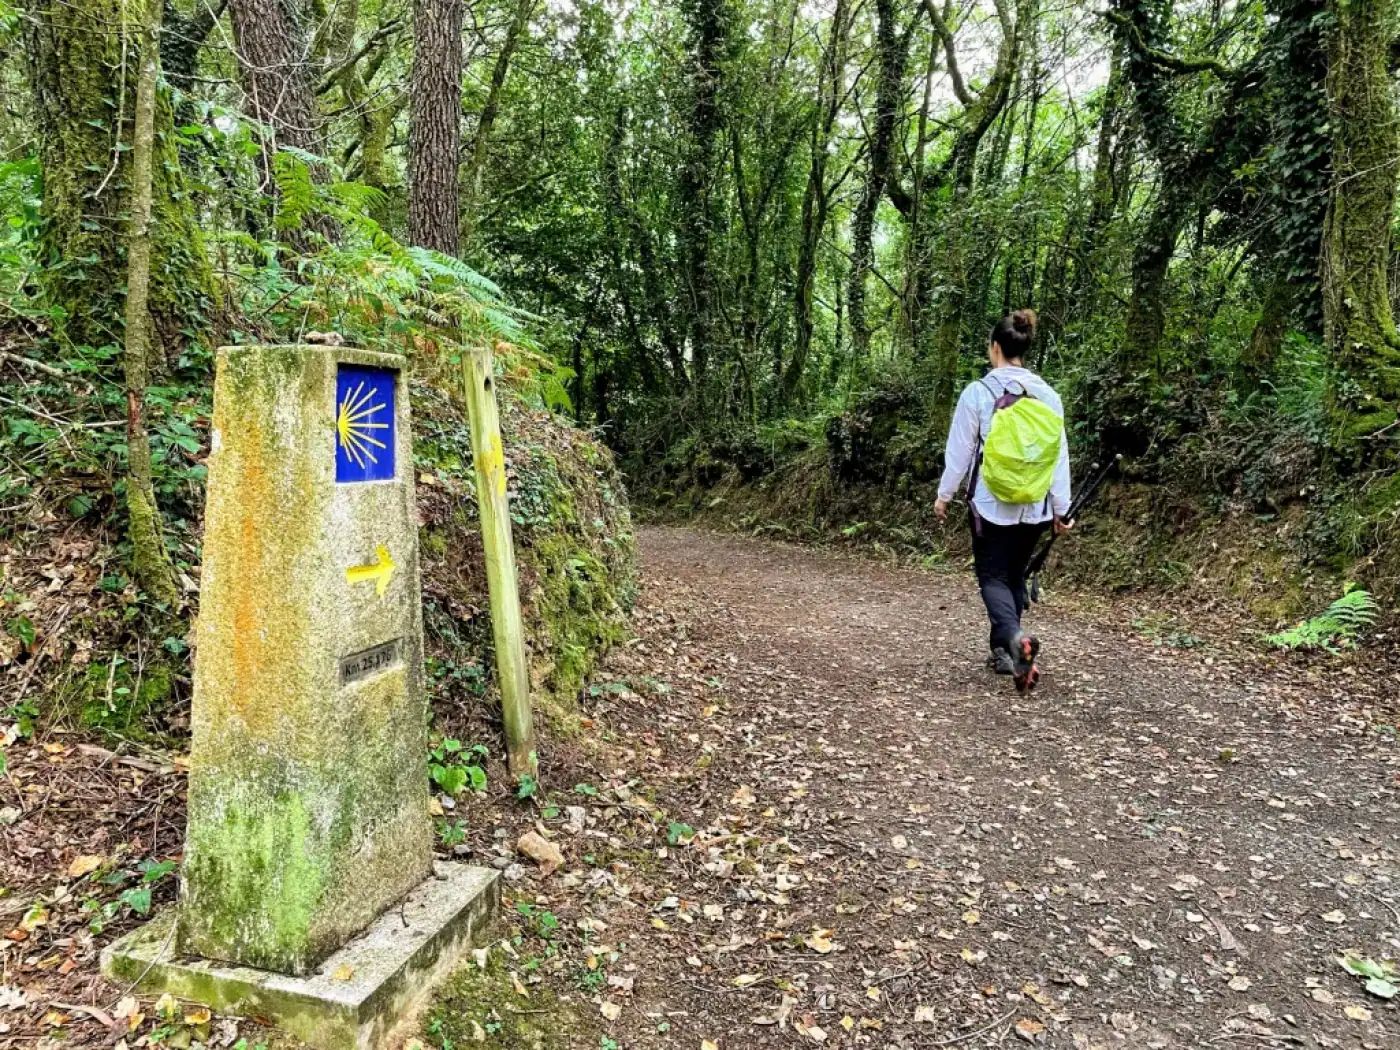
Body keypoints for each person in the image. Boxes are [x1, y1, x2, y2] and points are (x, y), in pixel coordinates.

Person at [932, 309, 1071, 692]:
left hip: (990, 503)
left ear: (995, 347)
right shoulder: (1048, 396)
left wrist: (944, 496)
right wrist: (1062, 509)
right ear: (1024, 349)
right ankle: (1006, 652)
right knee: (1014, 574)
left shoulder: (978, 393)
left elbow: (959, 453)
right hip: (1036, 505)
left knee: (992, 576)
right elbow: (1059, 456)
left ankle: (1013, 638)